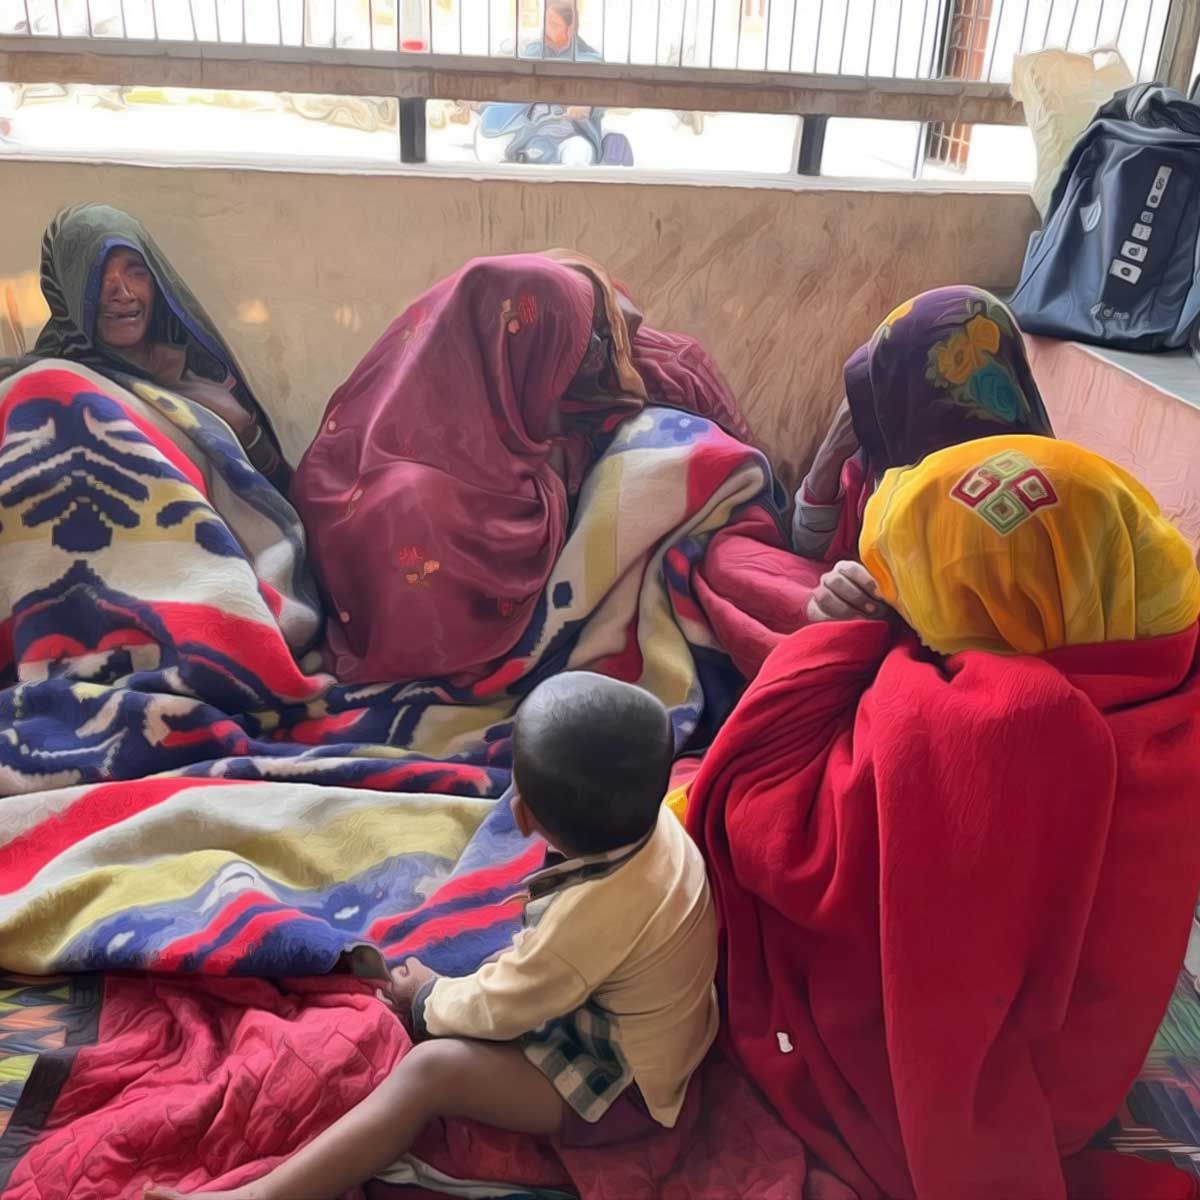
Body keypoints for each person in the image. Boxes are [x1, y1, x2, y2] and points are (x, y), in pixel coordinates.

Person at [689, 436, 1200, 1199]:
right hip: (1082, 1075)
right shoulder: (1161, 669)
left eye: (917, 586)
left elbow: (763, 830)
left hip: (938, 1087)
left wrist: (843, 636)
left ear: (999, 617)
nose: (896, 595)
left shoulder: (1009, 725)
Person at [146, 672, 718, 1200]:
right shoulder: (660, 824)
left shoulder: (587, 922)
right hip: (661, 1032)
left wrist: (424, 997)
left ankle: (261, 1196)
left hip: (624, 1091)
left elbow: (503, 1007)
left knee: (429, 1073)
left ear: (521, 816)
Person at [794, 285, 1054, 626]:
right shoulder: (886, 454)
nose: (873, 403)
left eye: (888, 385)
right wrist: (833, 447)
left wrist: (888, 611)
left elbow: (983, 622)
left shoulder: (1018, 499)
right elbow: (808, 543)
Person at [22, 204, 290, 490]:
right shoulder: (38, 390)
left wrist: (245, 432)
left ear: (156, 281)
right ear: (66, 289)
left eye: (136, 272)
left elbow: (281, 492)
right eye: (96, 277)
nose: (123, 293)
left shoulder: (201, 369)